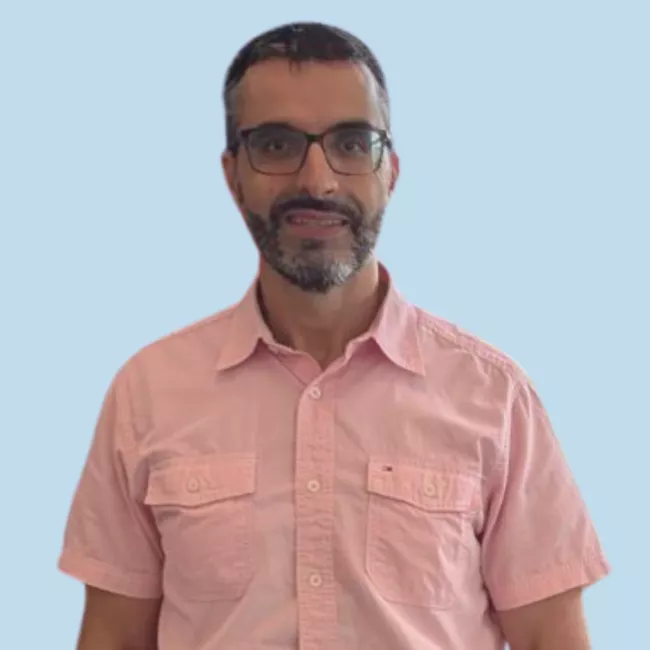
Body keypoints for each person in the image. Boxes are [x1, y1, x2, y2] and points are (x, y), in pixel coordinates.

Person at [58, 21, 610, 650]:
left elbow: (550, 638)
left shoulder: (494, 397)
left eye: (351, 143)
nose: (317, 181)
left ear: (390, 172)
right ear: (232, 175)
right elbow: (113, 636)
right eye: (276, 144)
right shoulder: (147, 394)